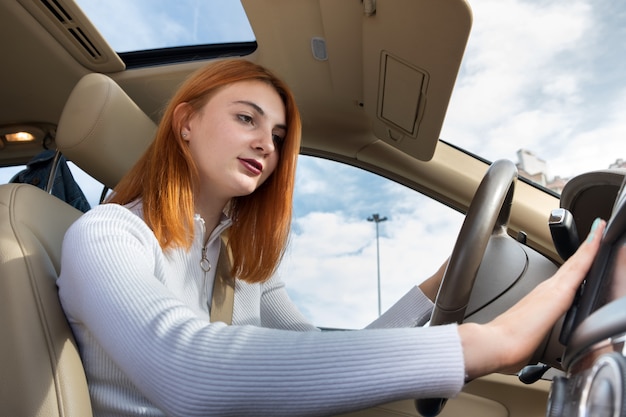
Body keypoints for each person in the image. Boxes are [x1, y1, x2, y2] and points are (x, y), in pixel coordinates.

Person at [57, 59, 606, 417]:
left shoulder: (243, 266)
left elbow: (317, 353)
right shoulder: (107, 236)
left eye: (276, 135)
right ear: (186, 124)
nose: (266, 145)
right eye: (246, 118)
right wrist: (483, 343)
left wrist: (435, 287)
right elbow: (190, 371)